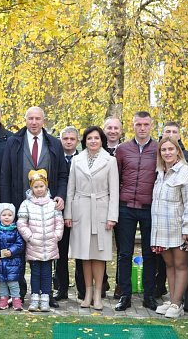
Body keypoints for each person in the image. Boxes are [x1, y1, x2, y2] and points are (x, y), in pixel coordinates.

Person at [0, 106, 68, 307]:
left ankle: (47, 294)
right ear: (25, 120)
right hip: (20, 209)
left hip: (47, 210)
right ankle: (19, 293)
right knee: (19, 251)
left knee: (46, 255)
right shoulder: (13, 142)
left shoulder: (54, 144)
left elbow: (63, 176)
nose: (34, 122)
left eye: (38, 118)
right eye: (30, 118)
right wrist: (6, 207)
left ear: (43, 120)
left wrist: (61, 196)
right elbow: (5, 175)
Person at [64, 126, 119, 311]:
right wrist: (68, 214)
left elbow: (114, 192)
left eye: (96, 138)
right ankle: (87, 293)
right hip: (81, 211)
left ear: (101, 140)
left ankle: (97, 294)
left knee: (98, 255)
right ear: (85, 141)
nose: (93, 141)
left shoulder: (110, 161)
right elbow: (70, 189)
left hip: (101, 212)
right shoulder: (76, 160)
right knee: (84, 255)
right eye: (89, 138)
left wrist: (112, 217)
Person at [115, 111, 158, 311]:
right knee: (125, 253)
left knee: (150, 254)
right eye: (138, 124)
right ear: (132, 126)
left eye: (146, 124)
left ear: (151, 126)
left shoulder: (159, 148)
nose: (142, 128)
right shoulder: (123, 149)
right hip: (126, 208)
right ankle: (125, 295)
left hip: (150, 209)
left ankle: (149, 295)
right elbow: (115, 179)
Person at [151, 137, 188, 318]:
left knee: (180, 264)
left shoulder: (185, 172)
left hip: (179, 226)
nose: (167, 153)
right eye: (163, 150)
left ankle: (177, 303)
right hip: (162, 227)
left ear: (178, 151)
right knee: (169, 264)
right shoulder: (160, 172)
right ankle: (173, 300)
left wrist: (187, 227)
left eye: (170, 149)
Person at [17, 169, 64, 311]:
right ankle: (34, 299)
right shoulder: (26, 204)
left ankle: (45, 300)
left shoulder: (52, 203)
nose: (39, 189)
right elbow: (21, 222)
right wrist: (29, 237)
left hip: (50, 244)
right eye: (36, 187)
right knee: (35, 273)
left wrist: (57, 235)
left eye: (41, 186)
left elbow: (59, 221)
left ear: (46, 186)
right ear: (31, 187)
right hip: (34, 245)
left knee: (47, 273)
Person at [54, 126, 80, 302]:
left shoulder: (84, 159)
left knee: (80, 252)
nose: (69, 141)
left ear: (77, 141)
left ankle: (83, 289)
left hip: (80, 212)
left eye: (72, 139)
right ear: (60, 140)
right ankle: (61, 288)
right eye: (65, 138)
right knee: (60, 252)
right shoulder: (54, 158)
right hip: (59, 211)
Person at [0, 203, 24, 311]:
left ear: (14, 217)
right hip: (0, 263)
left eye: (10, 215)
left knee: (13, 283)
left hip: (13, 263)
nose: (7, 217)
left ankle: (16, 300)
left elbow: (20, 244)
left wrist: (11, 251)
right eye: (4, 215)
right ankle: (3, 300)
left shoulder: (17, 231)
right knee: (2, 283)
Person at [103, 116, 123, 299]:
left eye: (116, 127)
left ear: (121, 130)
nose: (113, 131)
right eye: (109, 127)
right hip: (99, 204)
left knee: (122, 248)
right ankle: (101, 282)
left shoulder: (126, 150)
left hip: (122, 203)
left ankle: (120, 284)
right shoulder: (96, 149)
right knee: (99, 245)